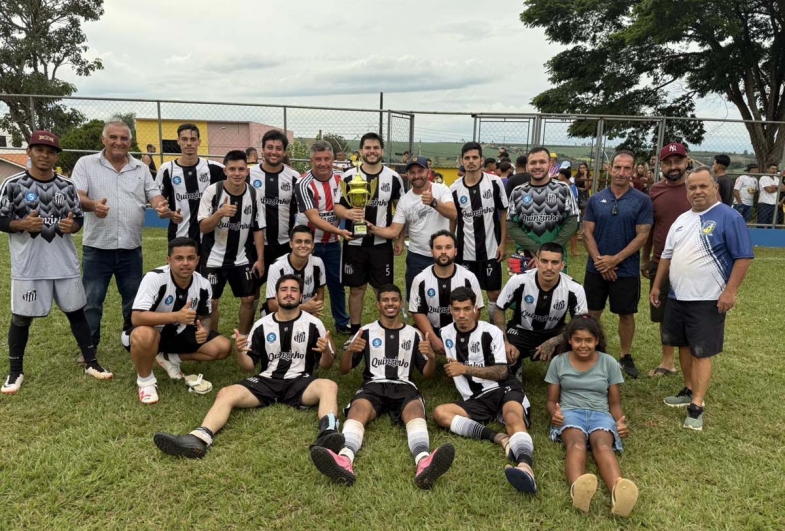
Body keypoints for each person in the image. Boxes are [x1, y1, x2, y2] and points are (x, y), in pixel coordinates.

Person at [153, 274, 342, 457]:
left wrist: (326, 352)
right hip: (267, 382)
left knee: (329, 386)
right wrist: (240, 351)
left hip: (300, 382)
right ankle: (199, 438)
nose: (289, 293)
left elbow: (326, 365)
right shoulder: (262, 325)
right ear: (276, 296)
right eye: (284, 290)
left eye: (294, 290)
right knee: (226, 393)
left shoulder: (314, 324)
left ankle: (328, 434)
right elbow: (249, 366)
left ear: (300, 296)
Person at [0, 131, 113, 394]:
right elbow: (1, 219)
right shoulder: (13, 184)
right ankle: (15, 372)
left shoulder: (67, 186)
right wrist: (21, 224)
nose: (45, 156)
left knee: (76, 311)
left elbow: (78, 220)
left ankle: (91, 363)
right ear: (29, 152)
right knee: (21, 318)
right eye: (39, 150)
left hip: (64, 263)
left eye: (50, 152)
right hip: (29, 265)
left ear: (56, 157)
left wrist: (72, 226)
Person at [310, 285, 455, 489]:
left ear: (401, 304)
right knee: (358, 408)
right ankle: (344, 459)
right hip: (373, 386)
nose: (390, 304)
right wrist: (350, 352)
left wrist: (431, 358)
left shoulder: (414, 334)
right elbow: (343, 370)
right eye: (385, 300)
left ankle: (424, 460)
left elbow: (427, 375)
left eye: (394, 300)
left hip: (404, 385)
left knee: (415, 409)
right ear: (378, 304)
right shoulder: (366, 331)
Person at [651, 167, 753, 431]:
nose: (697, 191)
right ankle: (688, 389)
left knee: (701, 351)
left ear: (715, 187)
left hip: (707, 300)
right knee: (683, 346)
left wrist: (730, 292)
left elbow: (743, 257)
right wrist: (658, 286)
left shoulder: (729, 217)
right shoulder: (682, 220)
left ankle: (697, 405)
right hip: (677, 296)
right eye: (692, 187)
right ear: (687, 191)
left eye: (703, 186)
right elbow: (666, 256)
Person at [71, 121, 168, 354]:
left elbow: (154, 194)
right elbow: (77, 195)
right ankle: (89, 348)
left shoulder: (140, 168)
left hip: (131, 248)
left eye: (124, 138)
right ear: (103, 139)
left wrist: (161, 205)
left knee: (134, 300)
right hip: (97, 247)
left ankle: (132, 339)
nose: (118, 142)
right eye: (113, 137)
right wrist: (93, 205)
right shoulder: (86, 163)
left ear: (130, 142)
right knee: (92, 302)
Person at [432, 287, 537, 494]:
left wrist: (465, 369)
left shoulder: (491, 332)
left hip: (503, 388)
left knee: (512, 416)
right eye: (457, 309)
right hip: (476, 398)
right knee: (440, 413)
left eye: (467, 309)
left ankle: (526, 467)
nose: (462, 315)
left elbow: (502, 371)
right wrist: (428, 352)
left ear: (475, 309)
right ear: (450, 310)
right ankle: (499, 438)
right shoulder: (445, 333)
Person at [545, 316, 638, 517]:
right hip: (570, 413)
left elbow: (615, 403)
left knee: (602, 446)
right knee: (576, 444)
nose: (583, 345)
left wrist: (619, 422)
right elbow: (551, 401)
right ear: (569, 340)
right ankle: (578, 489)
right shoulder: (559, 362)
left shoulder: (609, 363)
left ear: (597, 340)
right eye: (578, 340)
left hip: (600, 414)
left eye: (588, 340)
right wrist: (555, 414)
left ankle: (618, 492)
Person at [121, 237, 231, 404]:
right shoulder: (154, 278)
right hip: (142, 333)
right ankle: (146, 382)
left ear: (197, 260)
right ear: (169, 259)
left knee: (223, 347)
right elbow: (136, 317)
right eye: (179, 258)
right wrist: (176, 316)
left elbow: (206, 316)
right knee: (145, 334)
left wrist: (205, 330)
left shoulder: (203, 284)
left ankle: (170, 358)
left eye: (190, 258)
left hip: (177, 332)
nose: (185, 263)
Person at [582, 150, 653, 379]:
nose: (622, 172)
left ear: (633, 171)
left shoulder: (642, 200)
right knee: (592, 313)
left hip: (626, 270)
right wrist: (601, 262)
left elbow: (642, 236)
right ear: (610, 169)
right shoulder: (596, 199)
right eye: (618, 167)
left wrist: (615, 260)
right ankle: (591, 353)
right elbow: (587, 232)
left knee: (626, 314)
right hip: (596, 268)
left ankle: (625, 356)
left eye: (627, 168)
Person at [336, 132, 405, 342]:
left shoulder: (393, 178)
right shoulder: (349, 176)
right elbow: (338, 207)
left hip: (381, 244)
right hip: (354, 243)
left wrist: (400, 238)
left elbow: (401, 211)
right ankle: (355, 333)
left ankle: (387, 329)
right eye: (368, 148)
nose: (372, 151)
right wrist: (349, 214)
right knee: (356, 288)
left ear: (382, 151)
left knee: (382, 289)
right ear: (361, 151)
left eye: (376, 148)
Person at [365, 156, 457, 300]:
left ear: (428, 172)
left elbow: (453, 214)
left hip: (443, 254)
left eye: (420, 171)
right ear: (407, 175)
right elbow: (394, 230)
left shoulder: (441, 189)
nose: (416, 176)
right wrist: (371, 228)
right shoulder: (405, 200)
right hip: (417, 256)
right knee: (415, 299)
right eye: (412, 172)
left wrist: (433, 202)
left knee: (446, 297)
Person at [493, 242, 587, 379]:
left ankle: (563, 371)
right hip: (522, 330)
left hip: (554, 332)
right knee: (504, 353)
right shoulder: (519, 280)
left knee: (580, 345)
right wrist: (504, 341)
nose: (549, 267)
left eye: (555, 262)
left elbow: (581, 325)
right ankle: (515, 366)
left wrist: (552, 342)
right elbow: (499, 308)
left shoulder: (575, 289)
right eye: (544, 261)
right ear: (536, 262)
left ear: (562, 265)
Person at [198, 150, 265, 335]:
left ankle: (243, 338)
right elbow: (203, 227)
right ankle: (214, 338)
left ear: (247, 171)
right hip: (213, 257)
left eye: (241, 169)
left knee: (248, 299)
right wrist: (219, 213)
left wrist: (260, 259)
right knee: (212, 301)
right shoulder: (213, 192)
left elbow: (258, 228)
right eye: (232, 169)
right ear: (225, 170)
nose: (237, 173)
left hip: (241, 256)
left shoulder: (253, 194)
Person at [641, 143, 692, 377]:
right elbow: (651, 228)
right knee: (664, 313)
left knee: (690, 313)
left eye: (677, 161)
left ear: (686, 162)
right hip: (661, 261)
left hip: (693, 264)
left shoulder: (698, 187)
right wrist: (646, 258)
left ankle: (692, 360)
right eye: (668, 162)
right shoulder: (655, 191)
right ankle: (668, 361)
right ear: (660, 165)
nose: (673, 167)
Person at [294, 141, 352, 334]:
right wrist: (340, 232)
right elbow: (314, 218)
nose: (323, 163)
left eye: (327, 159)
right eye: (318, 159)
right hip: (309, 244)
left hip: (333, 243)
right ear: (311, 160)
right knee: (307, 284)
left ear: (333, 159)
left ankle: (342, 323)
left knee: (337, 283)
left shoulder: (342, 179)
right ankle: (305, 323)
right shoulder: (303, 183)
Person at [450, 141, 508, 318]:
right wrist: (452, 244)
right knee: (465, 296)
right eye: (467, 158)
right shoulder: (455, 188)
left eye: (475, 157)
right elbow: (453, 218)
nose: (471, 161)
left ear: (481, 160)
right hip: (465, 251)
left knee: (494, 293)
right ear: (462, 160)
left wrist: (503, 243)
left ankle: (493, 328)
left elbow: (503, 213)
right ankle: (469, 329)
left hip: (491, 250)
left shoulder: (495, 182)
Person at [247, 130, 300, 309]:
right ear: (262, 150)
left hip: (283, 244)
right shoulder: (249, 175)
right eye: (270, 147)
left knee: (285, 289)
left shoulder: (294, 177)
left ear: (284, 152)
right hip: (253, 244)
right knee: (251, 293)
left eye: (278, 148)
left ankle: (283, 321)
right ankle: (252, 325)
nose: (274, 152)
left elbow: (300, 210)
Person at [410, 230, 484, 354]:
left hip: (461, 327)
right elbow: (418, 312)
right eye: (438, 248)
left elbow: (476, 310)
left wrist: (461, 334)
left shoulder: (469, 278)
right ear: (432, 252)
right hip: (432, 329)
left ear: (455, 251)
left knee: (482, 337)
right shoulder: (420, 279)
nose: (443, 251)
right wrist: (433, 339)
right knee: (412, 336)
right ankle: (427, 361)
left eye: (448, 247)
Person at [155, 123, 225, 244]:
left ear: (199, 142)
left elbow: (238, 175)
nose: (189, 143)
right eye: (184, 139)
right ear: (178, 141)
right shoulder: (167, 169)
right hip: (179, 235)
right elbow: (160, 204)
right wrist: (168, 213)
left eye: (193, 139)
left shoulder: (215, 168)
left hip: (208, 239)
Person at [508, 146, 579, 263]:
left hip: (555, 258)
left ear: (550, 165)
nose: (537, 166)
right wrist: (536, 249)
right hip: (527, 258)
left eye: (542, 162)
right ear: (527, 166)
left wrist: (550, 251)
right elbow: (512, 226)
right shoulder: (517, 192)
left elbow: (572, 222)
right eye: (533, 163)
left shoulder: (563, 189)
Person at [264, 225, 325, 317]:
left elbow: (320, 292)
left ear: (312, 245)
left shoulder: (318, 263)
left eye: (307, 242)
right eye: (298, 241)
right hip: (280, 313)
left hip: (306, 314)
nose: (303, 245)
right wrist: (305, 307)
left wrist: (314, 314)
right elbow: (272, 305)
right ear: (291, 244)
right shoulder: (277, 266)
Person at [557, 168, 581, 257]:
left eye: (559, 174)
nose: (558, 176)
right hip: (561, 212)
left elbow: (574, 199)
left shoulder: (572, 187)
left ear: (563, 175)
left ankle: (574, 250)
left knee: (573, 232)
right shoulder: (559, 185)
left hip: (572, 212)